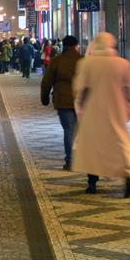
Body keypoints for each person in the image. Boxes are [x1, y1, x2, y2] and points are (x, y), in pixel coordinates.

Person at [72, 32, 130, 197]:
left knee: (93, 147)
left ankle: (92, 182)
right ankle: (128, 179)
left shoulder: (87, 64)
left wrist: (80, 110)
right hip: (116, 111)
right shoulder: (123, 64)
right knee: (120, 145)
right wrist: (128, 107)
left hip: (93, 111)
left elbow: (80, 90)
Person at [41, 35, 82, 170]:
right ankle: (85, 160)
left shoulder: (57, 61)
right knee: (83, 131)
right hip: (82, 101)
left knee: (69, 131)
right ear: (76, 46)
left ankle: (70, 161)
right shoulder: (83, 60)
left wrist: (45, 98)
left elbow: (47, 81)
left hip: (63, 101)